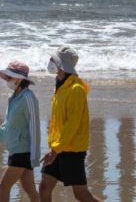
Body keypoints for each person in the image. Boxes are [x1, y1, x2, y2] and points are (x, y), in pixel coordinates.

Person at [39, 47, 102, 202]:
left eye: (53, 60)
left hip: (72, 149)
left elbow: (72, 125)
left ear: (61, 65)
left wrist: (55, 150)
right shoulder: (60, 86)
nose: (50, 62)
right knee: (44, 187)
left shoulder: (76, 90)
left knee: (81, 194)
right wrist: (54, 147)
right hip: (58, 147)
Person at [0, 61, 41, 202]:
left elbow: (35, 128)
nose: (6, 81)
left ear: (19, 79)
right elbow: (6, 126)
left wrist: (34, 156)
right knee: (30, 189)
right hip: (14, 149)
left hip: (24, 151)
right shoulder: (13, 98)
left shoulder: (28, 98)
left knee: (3, 186)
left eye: (9, 78)